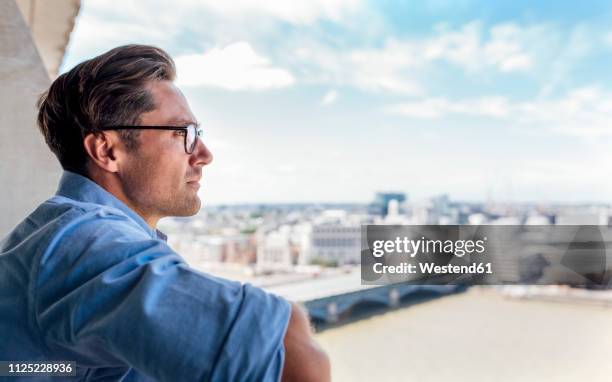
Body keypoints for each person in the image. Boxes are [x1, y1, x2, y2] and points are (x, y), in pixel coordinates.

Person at [0, 44, 330, 382]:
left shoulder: (56, 235)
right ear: (107, 150)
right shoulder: (84, 243)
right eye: (181, 133)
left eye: (197, 134)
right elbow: (284, 344)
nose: (203, 154)